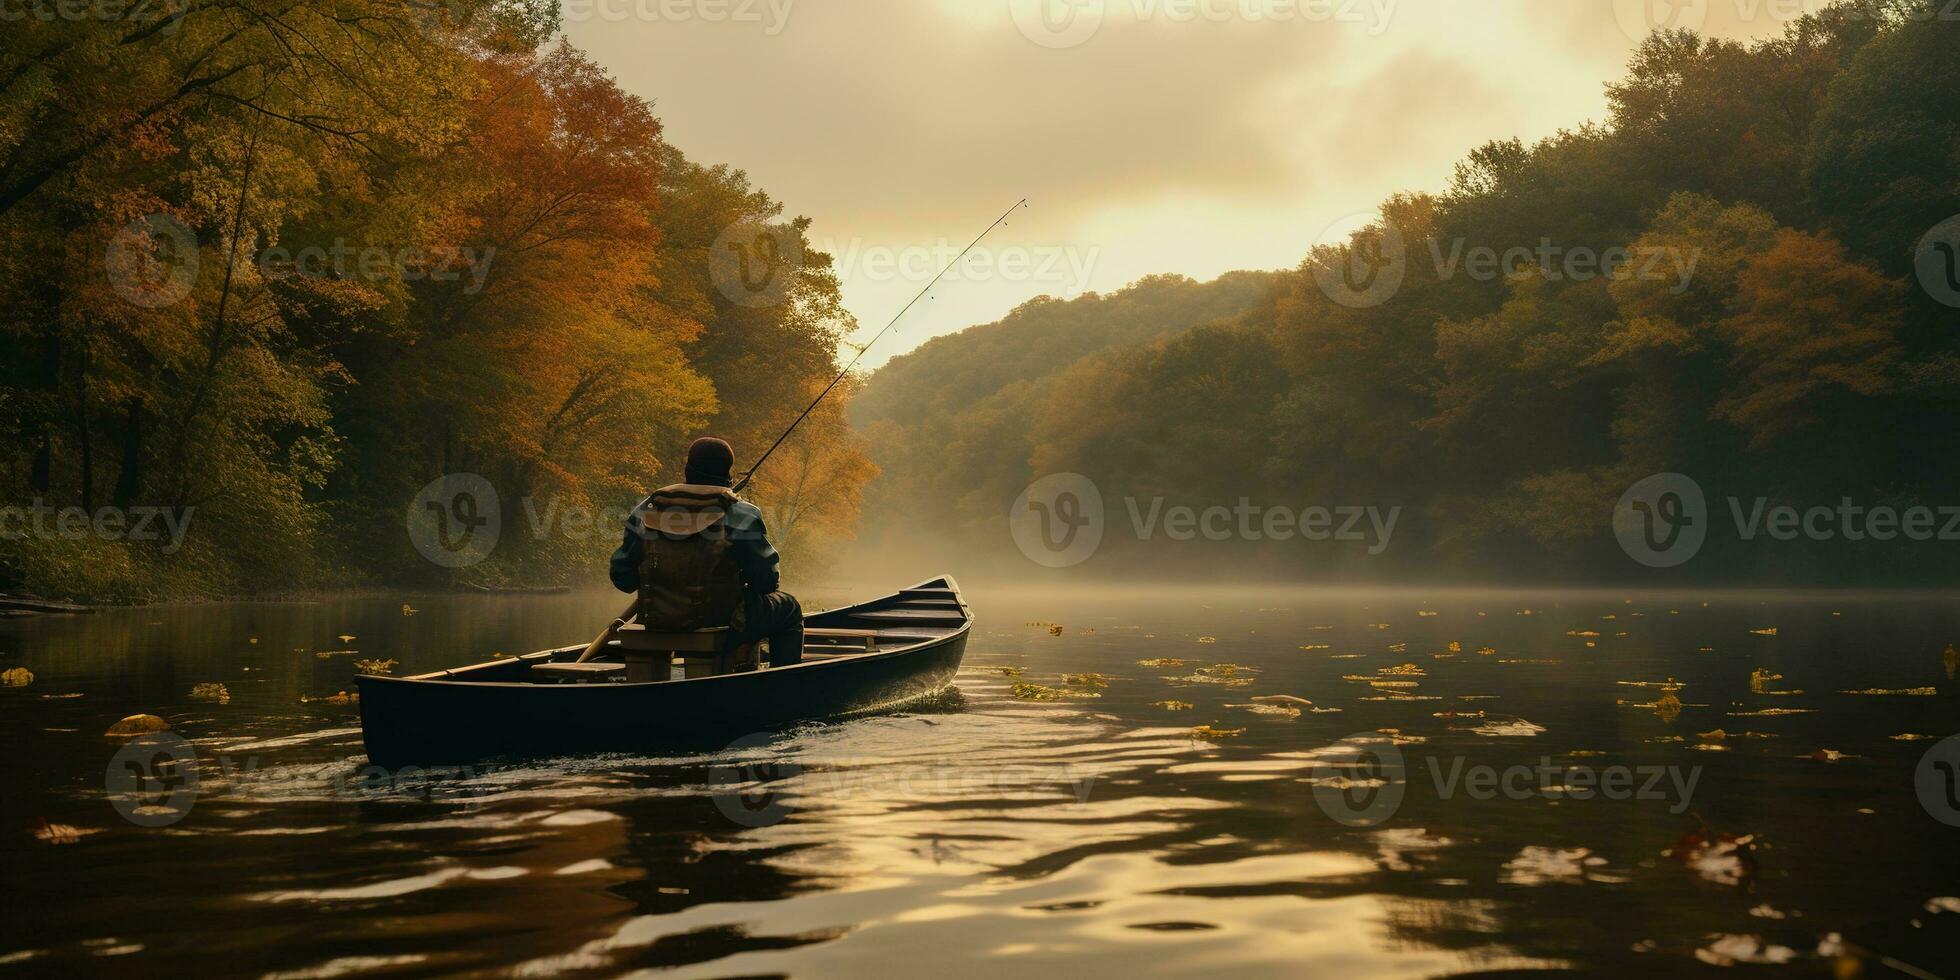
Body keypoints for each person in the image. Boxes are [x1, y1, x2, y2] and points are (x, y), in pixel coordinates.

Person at [609, 437, 803, 666]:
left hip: (657, 620)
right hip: (725, 622)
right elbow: (766, 581)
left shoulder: (645, 510)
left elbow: (623, 578)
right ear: (728, 474)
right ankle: (780, 684)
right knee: (789, 608)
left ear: (687, 470)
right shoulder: (742, 513)